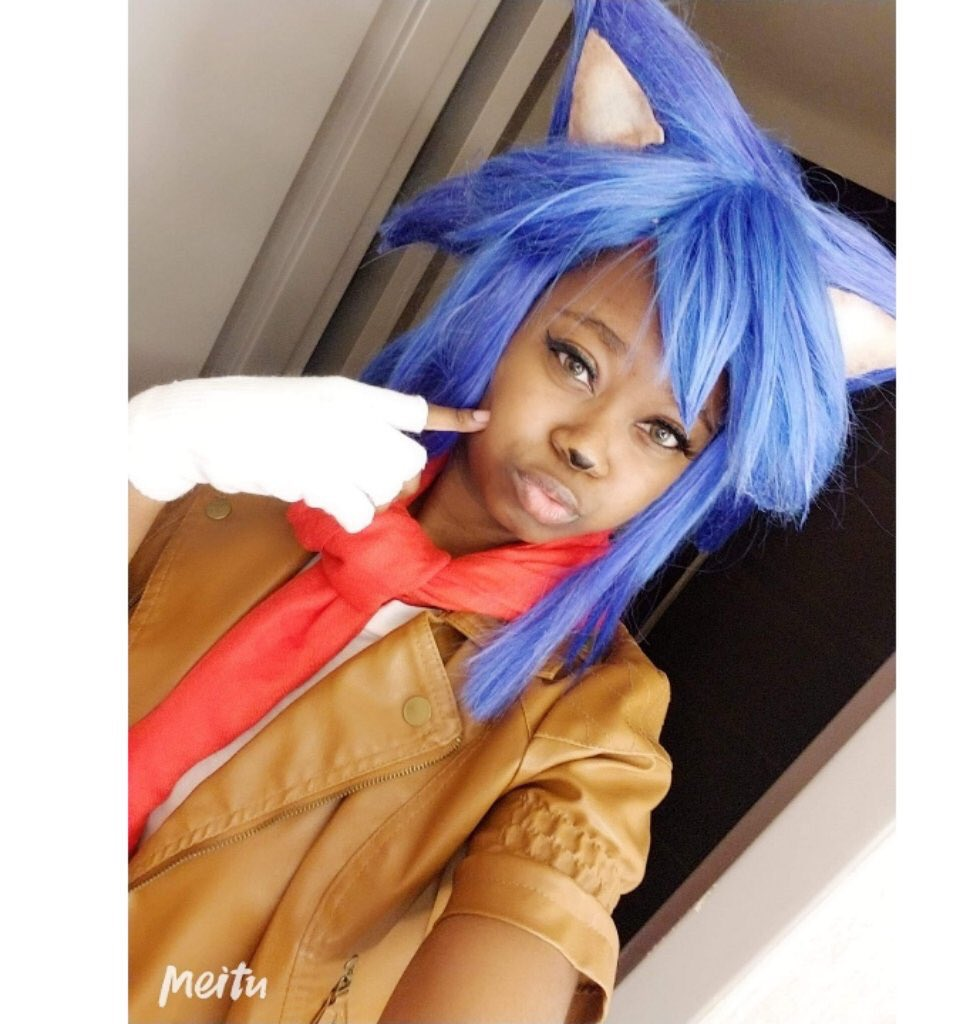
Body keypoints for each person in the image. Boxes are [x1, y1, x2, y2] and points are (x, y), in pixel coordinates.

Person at [127, 2, 895, 1021]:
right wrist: (137, 454)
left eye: (665, 433)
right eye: (574, 359)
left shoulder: (592, 732)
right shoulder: (241, 476)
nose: (589, 442)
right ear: (506, 316)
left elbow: (537, 911)